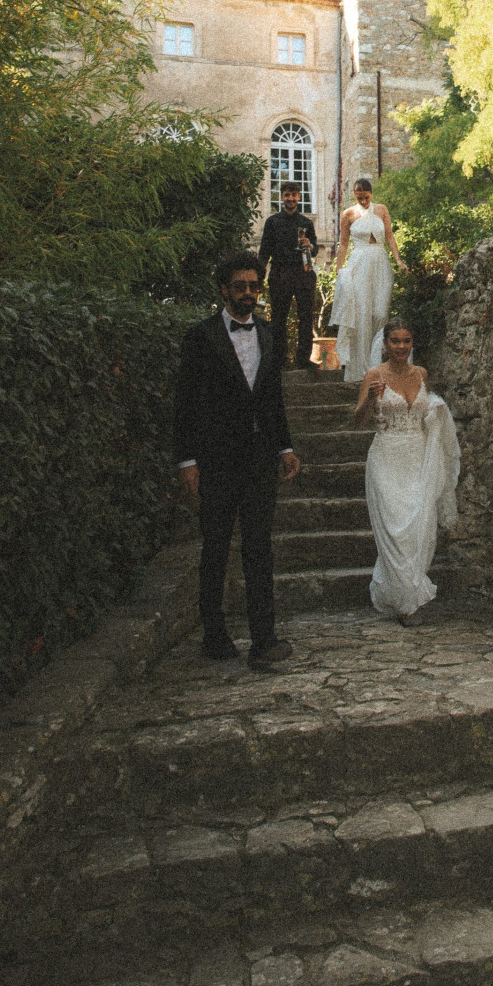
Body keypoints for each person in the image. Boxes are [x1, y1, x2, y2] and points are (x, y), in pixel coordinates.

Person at [174, 250, 300, 668]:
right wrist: (186, 459)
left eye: (254, 286)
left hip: (260, 458)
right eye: (240, 287)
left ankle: (264, 639)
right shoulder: (200, 336)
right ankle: (214, 635)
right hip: (216, 459)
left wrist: (285, 448)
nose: (248, 293)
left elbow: (272, 398)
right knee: (215, 547)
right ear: (224, 290)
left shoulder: (269, 334)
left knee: (259, 547)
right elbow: (185, 401)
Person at [354, 318, 460, 624]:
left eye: (406, 341)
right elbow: (357, 421)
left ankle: (408, 593)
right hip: (387, 457)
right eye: (395, 341)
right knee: (395, 528)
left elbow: (426, 412)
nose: (401, 346)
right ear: (385, 344)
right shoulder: (374, 375)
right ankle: (406, 603)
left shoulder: (421, 374)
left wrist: (436, 412)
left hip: (419, 457)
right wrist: (371, 399)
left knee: (420, 527)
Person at [330, 178, 407, 384]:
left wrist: (398, 260)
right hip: (359, 263)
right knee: (361, 315)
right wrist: (339, 270)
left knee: (380, 313)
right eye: (359, 198)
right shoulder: (348, 214)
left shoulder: (381, 210)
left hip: (381, 262)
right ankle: (361, 370)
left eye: (366, 197)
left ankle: (378, 364)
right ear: (354, 196)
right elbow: (343, 244)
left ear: (371, 194)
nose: (363, 201)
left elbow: (389, 237)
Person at [258, 181, 319, 371]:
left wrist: (309, 245)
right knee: (278, 318)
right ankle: (280, 360)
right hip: (280, 273)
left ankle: (304, 359)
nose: (290, 199)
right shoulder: (272, 222)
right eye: (287, 195)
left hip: (303, 273)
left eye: (294, 195)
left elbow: (315, 250)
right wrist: (258, 276)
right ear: (282, 197)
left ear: (299, 197)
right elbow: (264, 252)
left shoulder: (306, 223)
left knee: (306, 317)